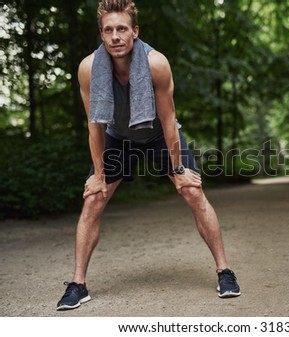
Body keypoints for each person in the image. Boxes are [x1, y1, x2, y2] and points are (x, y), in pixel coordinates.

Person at [56, 0, 240, 311]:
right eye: (108, 30)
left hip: (156, 132)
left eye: (122, 29)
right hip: (119, 137)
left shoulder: (156, 63)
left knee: (193, 191)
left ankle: (225, 271)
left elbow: (169, 121)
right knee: (93, 200)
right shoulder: (88, 69)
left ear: (135, 32)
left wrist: (179, 168)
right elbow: (95, 127)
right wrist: (99, 176)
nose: (115, 36)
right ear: (101, 35)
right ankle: (77, 284)